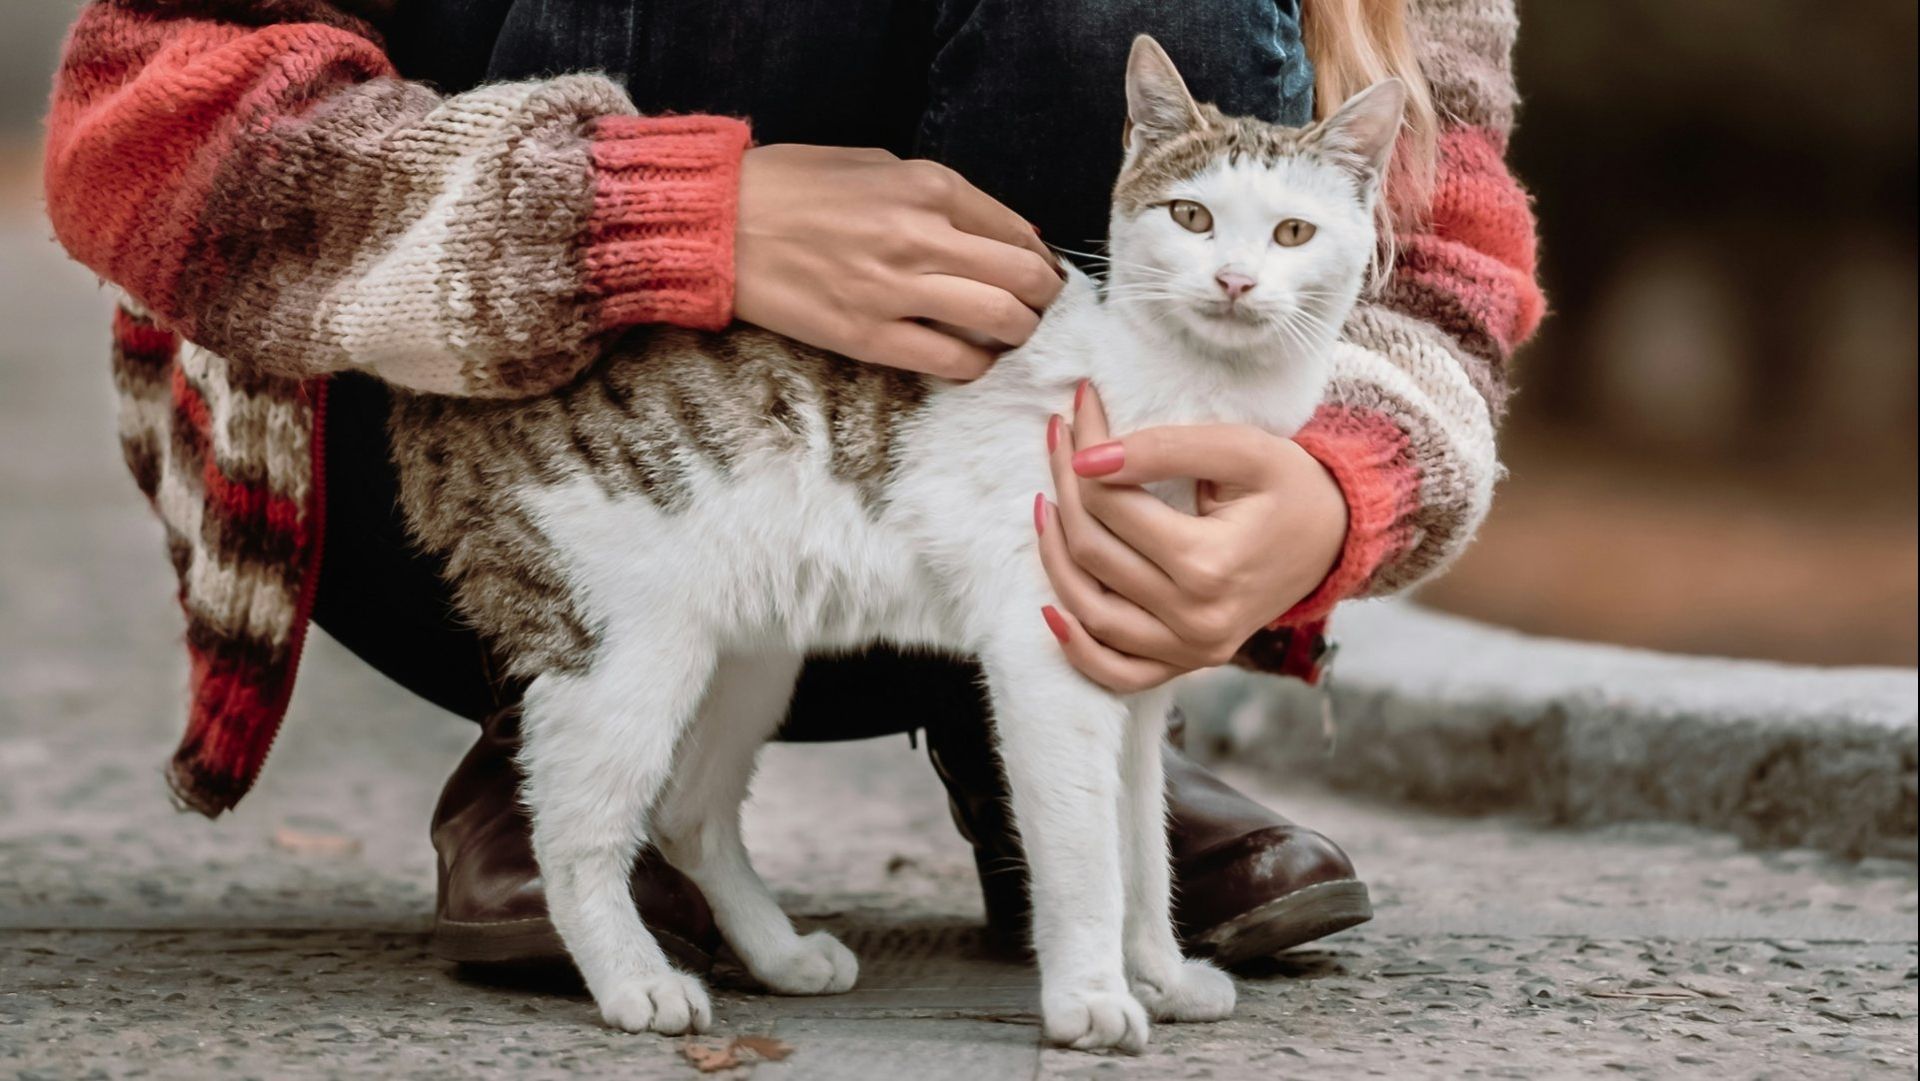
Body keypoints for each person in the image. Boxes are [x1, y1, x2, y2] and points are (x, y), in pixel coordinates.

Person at [43, 0, 1541, 972]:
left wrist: (1340, 488)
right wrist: (655, 216)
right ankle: (571, 733)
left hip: (1000, 514)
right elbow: (137, 129)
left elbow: (1445, 240)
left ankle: (1038, 734)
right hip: (461, 460)